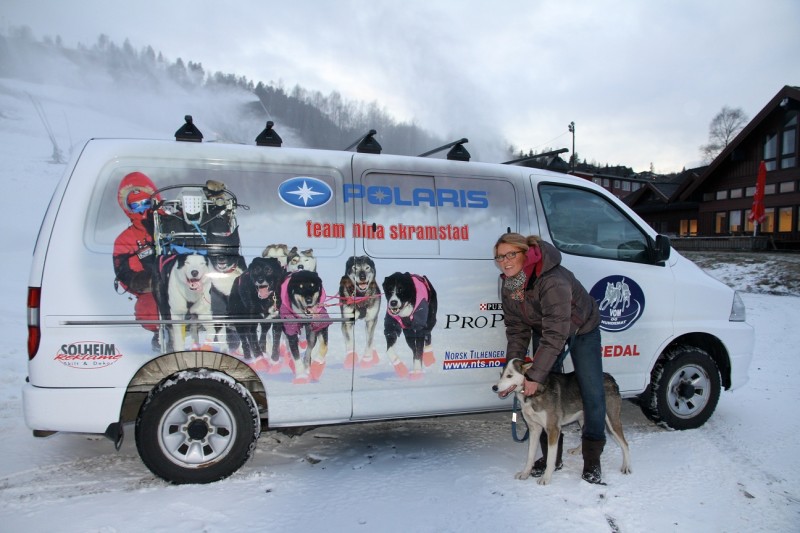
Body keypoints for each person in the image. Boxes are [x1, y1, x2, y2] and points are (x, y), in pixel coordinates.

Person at [494, 232, 606, 484]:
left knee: (591, 389)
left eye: (511, 254)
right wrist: (515, 369)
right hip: (545, 330)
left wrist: (534, 374)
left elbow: (557, 331)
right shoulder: (510, 283)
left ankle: (592, 458)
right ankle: (551, 458)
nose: (505, 261)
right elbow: (516, 328)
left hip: (581, 328)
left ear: (526, 253)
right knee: (540, 392)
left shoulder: (551, 279)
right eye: (500, 257)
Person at [113, 171, 161, 351]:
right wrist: (147, 281)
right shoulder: (125, 240)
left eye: (145, 203)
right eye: (136, 206)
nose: (142, 210)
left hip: (188, 279)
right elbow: (123, 273)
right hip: (154, 287)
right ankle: (161, 334)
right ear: (128, 209)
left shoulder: (173, 223)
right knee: (149, 308)